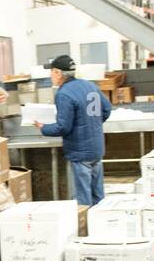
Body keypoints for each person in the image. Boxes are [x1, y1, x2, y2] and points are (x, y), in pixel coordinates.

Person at [34, 54, 112, 207]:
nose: (50, 75)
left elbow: (63, 127)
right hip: (96, 148)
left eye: (51, 72)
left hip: (80, 151)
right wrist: (92, 124)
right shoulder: (89, 86)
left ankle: (85, 228)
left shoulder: (64, 94)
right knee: (98, 195)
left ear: (57, 73)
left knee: (83, 197)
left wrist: (44, 128)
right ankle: (100, 224)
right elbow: (107, 109)